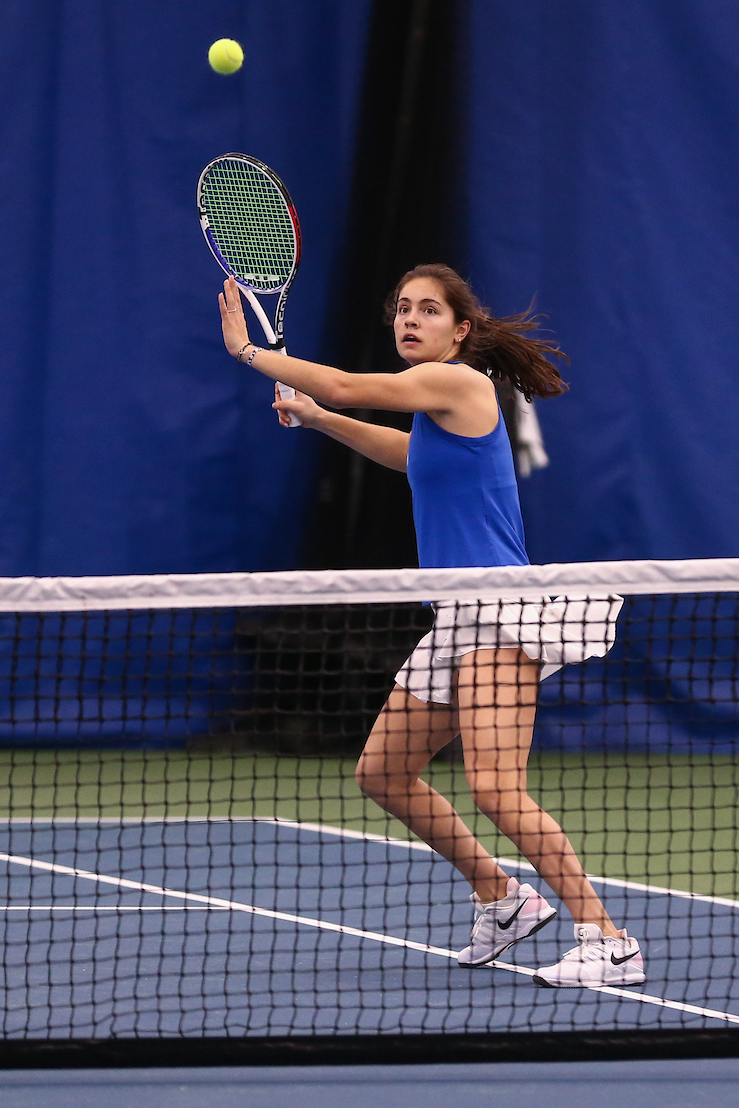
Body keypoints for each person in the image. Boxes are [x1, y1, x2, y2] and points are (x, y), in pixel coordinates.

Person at [217, 264, 645, 989]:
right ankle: (502, 897)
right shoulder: (436, 411)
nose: (409, 320)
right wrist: (321, 420)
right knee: (382, 773)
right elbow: (409, 458)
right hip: (455, 615)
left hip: (499, 615)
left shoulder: (461, 383)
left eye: (427, 311)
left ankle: (608, 940)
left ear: (461, 329)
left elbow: (350, 384)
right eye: (402, 310)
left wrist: (247, 353)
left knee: (497, 790)